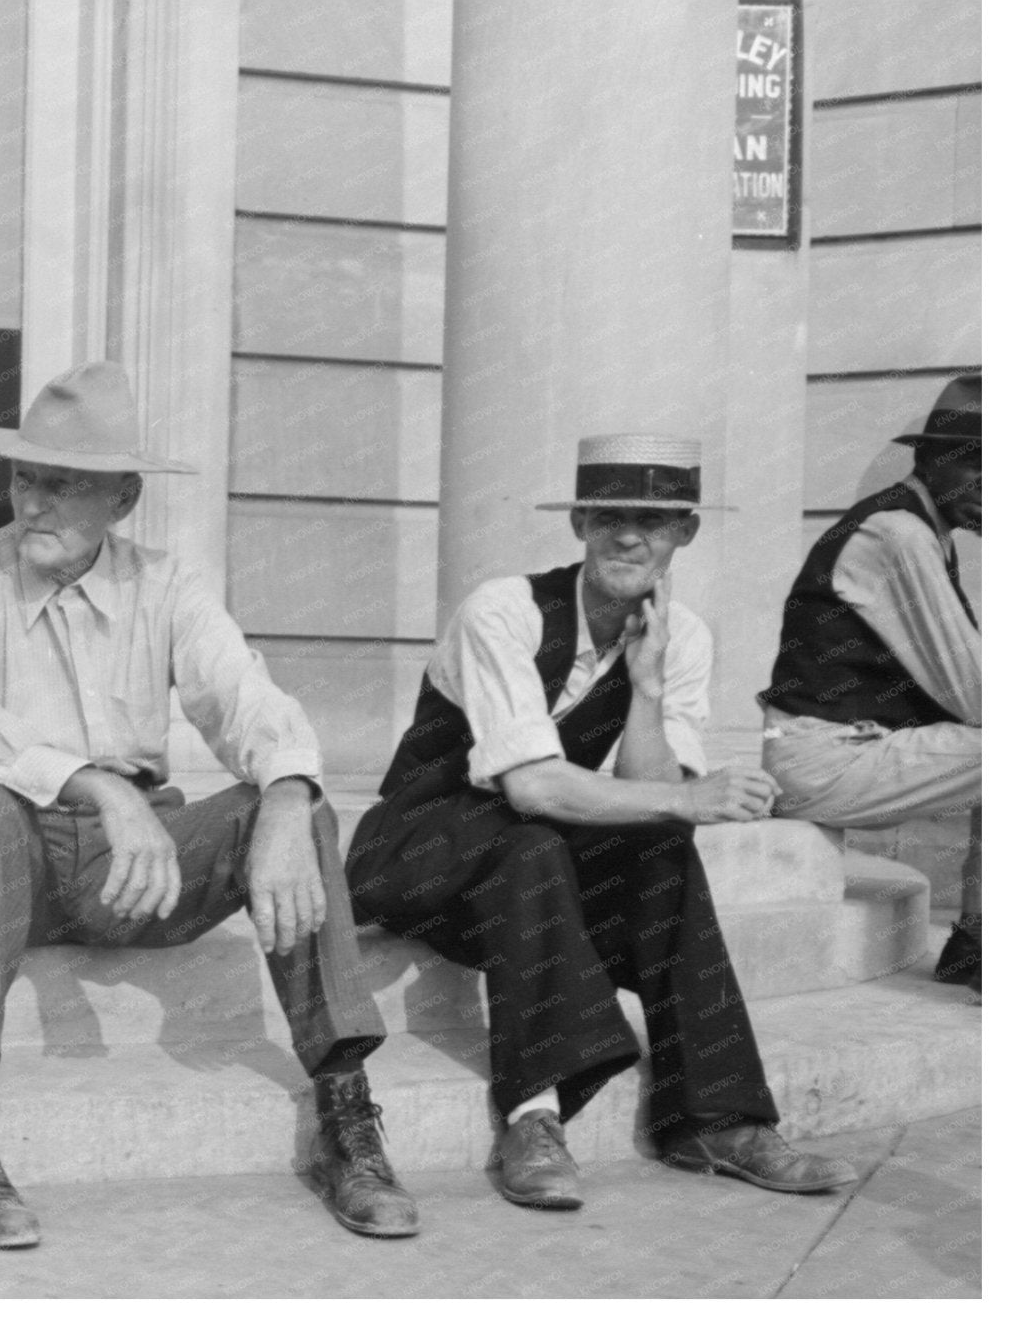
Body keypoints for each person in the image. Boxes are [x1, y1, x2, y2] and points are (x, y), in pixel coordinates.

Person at [0, 362, 414, 1249]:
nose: (32, 503)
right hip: (7, 853)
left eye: (61, 484)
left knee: (294, 804)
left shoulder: (168, 584)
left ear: (124, 499)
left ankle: (345, 1119)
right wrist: (97, 784)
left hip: (130, 872)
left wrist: (290, 797)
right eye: (24, 477)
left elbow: (241, 695)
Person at [343, 435, 857, 1211]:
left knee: (660, 857)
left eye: (655, 521)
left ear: (686, 531)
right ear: (580, 522)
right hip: (416, 852)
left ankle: (716, 1118)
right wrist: (690, 799)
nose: (630, 537)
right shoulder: (504, 611)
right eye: (612, 515)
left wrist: (645, 693)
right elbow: (533, 786)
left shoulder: (681, 636)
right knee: (535, 843)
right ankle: (533, 1114)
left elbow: (652, 798)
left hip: (526, 868)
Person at [759, 376, 982, 991]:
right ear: (929, 460)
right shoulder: (899, 534)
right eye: (978, 467)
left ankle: (980, 939)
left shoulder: (926, 529)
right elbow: (978, 694)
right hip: (823, 760)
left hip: (854, 748)